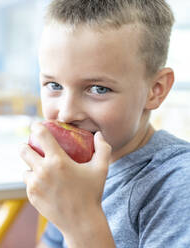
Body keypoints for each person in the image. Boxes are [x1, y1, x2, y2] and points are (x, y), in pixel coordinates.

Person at [20, 0, 190, 247]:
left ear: (155, 90)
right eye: (54, 85)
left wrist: (80, 217)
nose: (66, 114)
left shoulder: (178, 183)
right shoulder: (73, 168)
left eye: (98, 89)